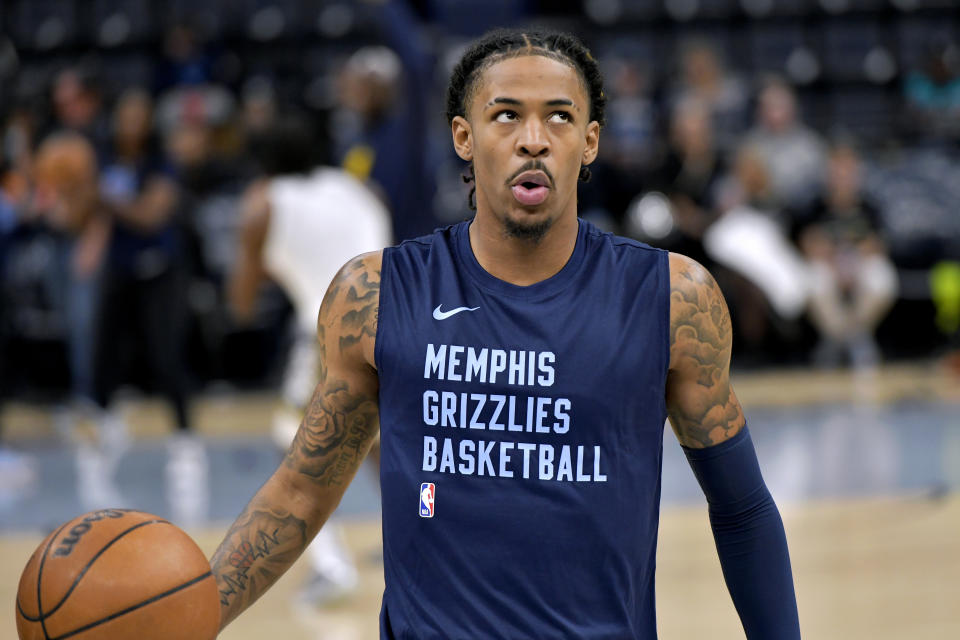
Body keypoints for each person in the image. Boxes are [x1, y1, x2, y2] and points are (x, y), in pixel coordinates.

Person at [209, 29, 800, 638]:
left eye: (561, 117)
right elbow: (301, 493)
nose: (534, 140)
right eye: (506, 115)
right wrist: (194, 614)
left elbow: (742, 510)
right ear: (464, 136)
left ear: (590, 141)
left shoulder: (673, 299)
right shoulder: (377, 296)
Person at [227, 116, 391, 606]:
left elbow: (240, 302)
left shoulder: (263, 203)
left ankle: (331, 566)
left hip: (336, 329)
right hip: (401, 317)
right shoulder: (356, 186)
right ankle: (425, 542)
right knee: (385, 443)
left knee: (295, 447)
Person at [795, 142, 897, 369]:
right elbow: (808, 244)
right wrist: (830, 256)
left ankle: (843, 341)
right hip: (828, 268)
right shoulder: (815, 207)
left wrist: (853, 258)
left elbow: (878, 245)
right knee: (813, 279)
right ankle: (849, 341)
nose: (842, 177)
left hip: (859, 267)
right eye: (837, 170)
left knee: (882, 277)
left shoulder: (870, 206)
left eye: (847, 170)